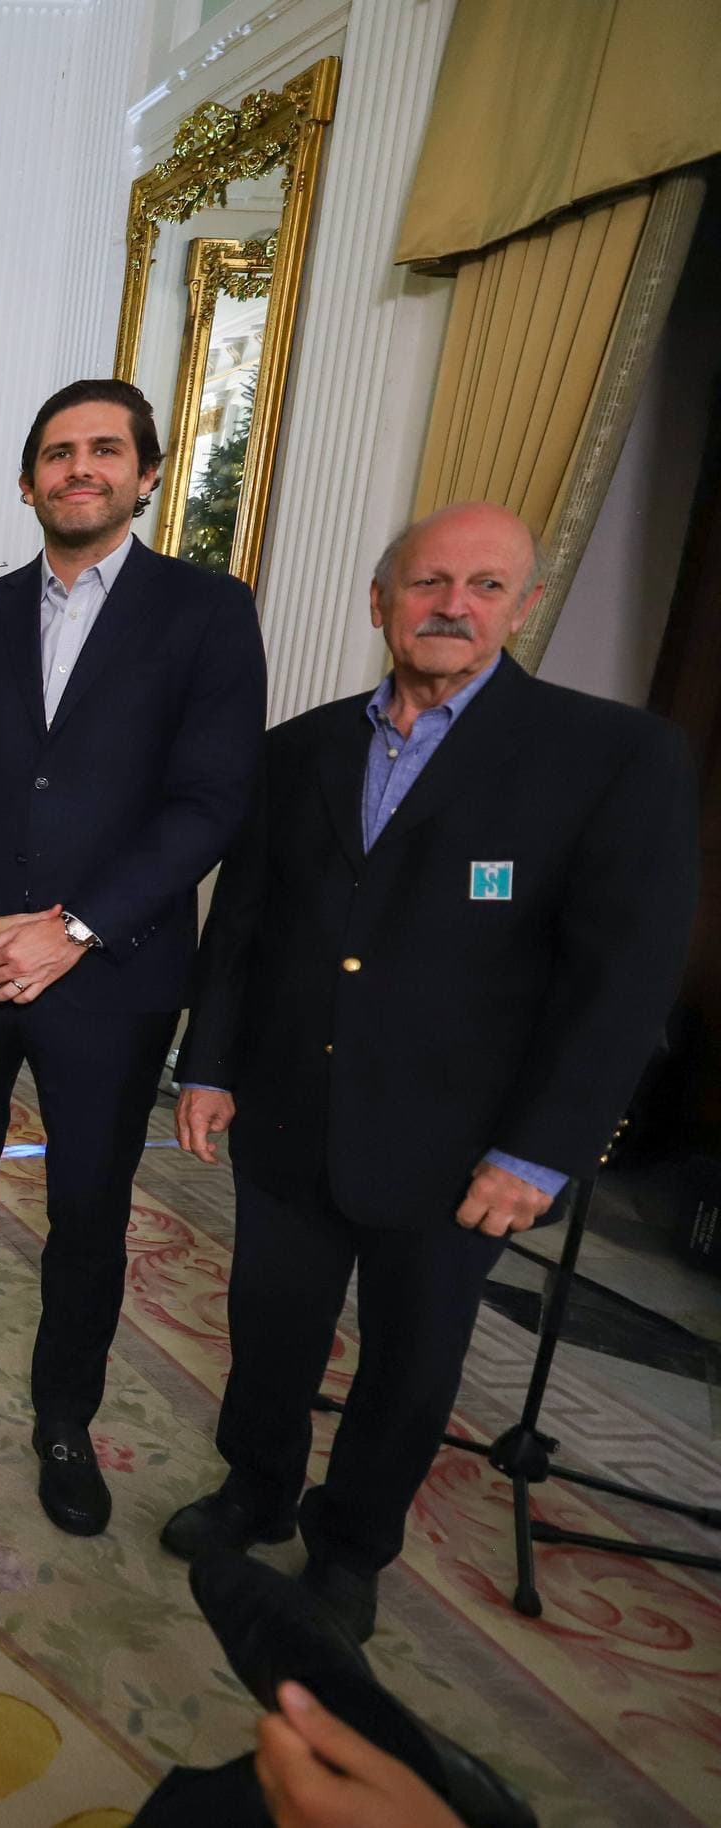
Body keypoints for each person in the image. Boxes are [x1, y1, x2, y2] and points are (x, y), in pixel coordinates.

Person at [163, 502, 696, 1641]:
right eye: (429, 582)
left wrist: (541, 1151)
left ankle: (350, 1543)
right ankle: (252, 1489)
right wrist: (207, 1066)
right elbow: (243, 927)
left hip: (462, 1143)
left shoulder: (607, 757)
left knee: (410, 1362)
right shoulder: (298, 747)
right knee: (267, 1328)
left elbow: (622, 979)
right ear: (381, 601)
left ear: (524, 605)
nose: (454, 605)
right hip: (291, 1114)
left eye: (486, 586)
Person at [0, 379, 266, 1536]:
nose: (76, 469)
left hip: (112, 969)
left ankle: (62, 1419)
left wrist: (74, 927)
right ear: (29, 480)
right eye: (55, 453)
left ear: (145, 473)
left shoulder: (204, 612)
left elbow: (210, 802)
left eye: (102, 450)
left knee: (88, 1208)